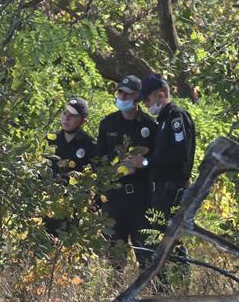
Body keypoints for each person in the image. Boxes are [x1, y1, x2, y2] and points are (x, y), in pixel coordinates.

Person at [124, 73, 196, 282]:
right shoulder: (163, 120)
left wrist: (145, 163)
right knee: (159, 241)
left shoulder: (176, 117)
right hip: (161, 190)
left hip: (173, 189)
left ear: (161, 95)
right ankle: (163, 287)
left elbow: (179, 155)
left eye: (147, 100)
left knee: (170, 240)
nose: (146, 105)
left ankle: (179, 287)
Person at [96, 75, 157, 269]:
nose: (122, 96)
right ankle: (115, 294)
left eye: (127, 93)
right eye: (120, 92)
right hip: (114, 197)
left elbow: (157, 161)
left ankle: (150, 293)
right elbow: (98, 161)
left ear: (138, 97)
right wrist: (116, 168)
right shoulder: (107, 124)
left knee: (146, 253)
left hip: (141, 198)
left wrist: (142, 164)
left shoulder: (149, 126)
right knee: (114, 256)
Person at [44, 96, 96, 237]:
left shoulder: (90, 145)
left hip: (72, 211)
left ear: (83, 121)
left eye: (73, 116)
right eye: (65, 113)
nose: (66, 118)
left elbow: (92, 182)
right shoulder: (50, 139)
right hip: (47, 206)